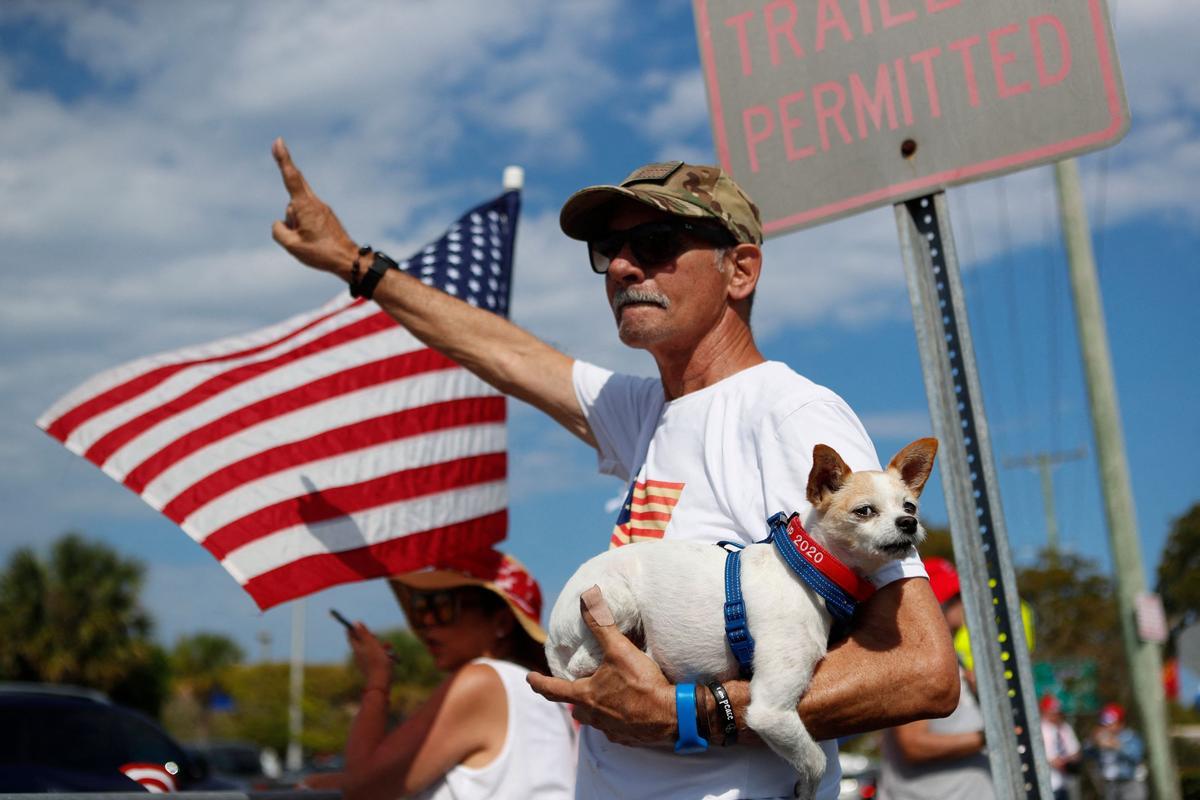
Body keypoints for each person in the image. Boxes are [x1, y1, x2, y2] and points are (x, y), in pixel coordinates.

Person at [270, 141, 958, 800]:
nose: (624, 268)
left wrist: (689, 713)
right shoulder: (650, 411)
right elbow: (503, 353)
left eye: (655, 246)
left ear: (740, 270)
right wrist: (355, 264)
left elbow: (921, 669)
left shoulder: (788, 413)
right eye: (610, 251)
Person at [309, 550, 576, 800]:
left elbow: (364, 788)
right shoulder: (531, 690)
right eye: (420, 609)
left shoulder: (483, 680)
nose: (426, 625)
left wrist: (377, 678)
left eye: (441, 607)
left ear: (502, 622)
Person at [878, 557, 993, 800]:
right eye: (956, 596)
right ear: (937, 603)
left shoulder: (950, 658)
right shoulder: (913, 659)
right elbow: (914, 745)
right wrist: (991, 736)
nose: (964, 604)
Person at [1089, 702, 1147, 800]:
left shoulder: (1131, 737)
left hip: (1129, 783)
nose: (1107, 727)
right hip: (1109, 785)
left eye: (1111, 724)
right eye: (1104, 724)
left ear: (1120, 723)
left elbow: (1136, 756)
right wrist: (1093, 743)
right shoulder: (1100, 737)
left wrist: (1117, 746)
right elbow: (1087, 755)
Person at [1039, 693, 1081, 800]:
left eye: (1057, 712)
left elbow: (1075, 751)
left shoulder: (1065, 727)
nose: (1056, 715)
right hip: (1049, 782)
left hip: (1067, 781)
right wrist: (1051, 761)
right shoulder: (1039, 729)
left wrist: (1067, 760)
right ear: (1045, 712)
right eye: (1052, 713)